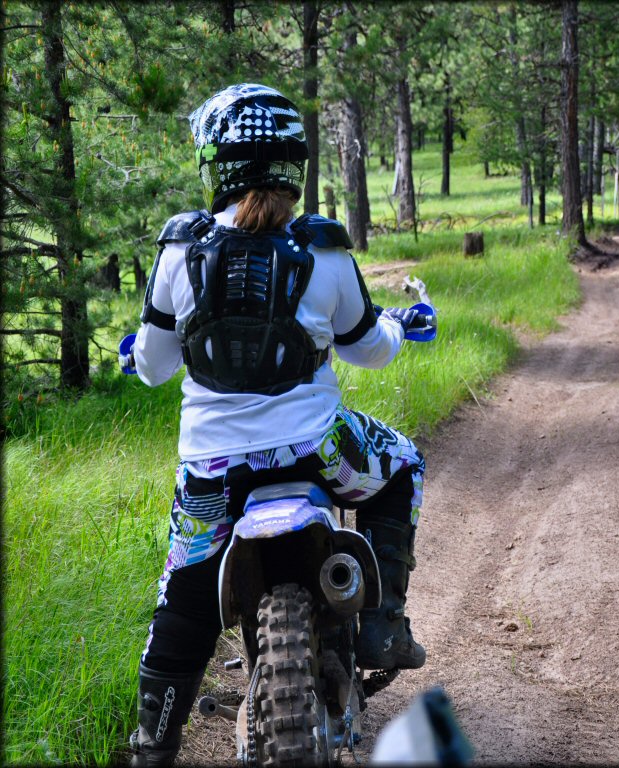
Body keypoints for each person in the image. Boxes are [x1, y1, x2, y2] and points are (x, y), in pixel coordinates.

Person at [127, 83, 427, 767]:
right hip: (316, 454)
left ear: (217, 164)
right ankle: (381, 626)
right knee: (403, 461)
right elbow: (369, 347)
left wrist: (142, 349)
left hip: (214, 471)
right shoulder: (323, 251)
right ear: (292, 161)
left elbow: (150, 366)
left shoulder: (178, 253)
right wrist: (400, 330)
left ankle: (152, 748)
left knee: (184, 609)